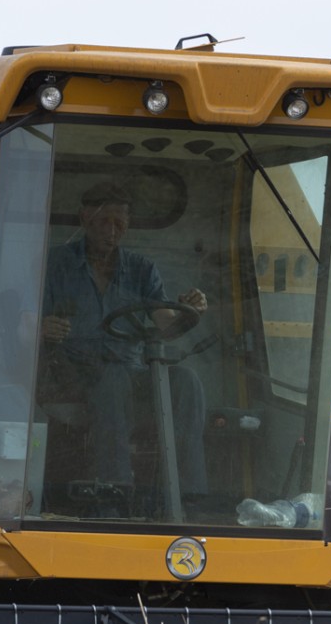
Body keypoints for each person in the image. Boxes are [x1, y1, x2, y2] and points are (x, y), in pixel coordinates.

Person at [39, 182, 208, 504]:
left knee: (187, 381)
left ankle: (190, 496)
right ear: (85, 219)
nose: (112, 232)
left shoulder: (141, 270)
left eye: (120, 224)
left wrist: (190, 311)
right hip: (68, 371)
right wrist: (41, 327)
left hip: (127, 372)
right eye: (105, 222)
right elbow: (22, 320)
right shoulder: (56, 264)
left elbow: (165, 325)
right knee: (115, 380)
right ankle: (114, 488)